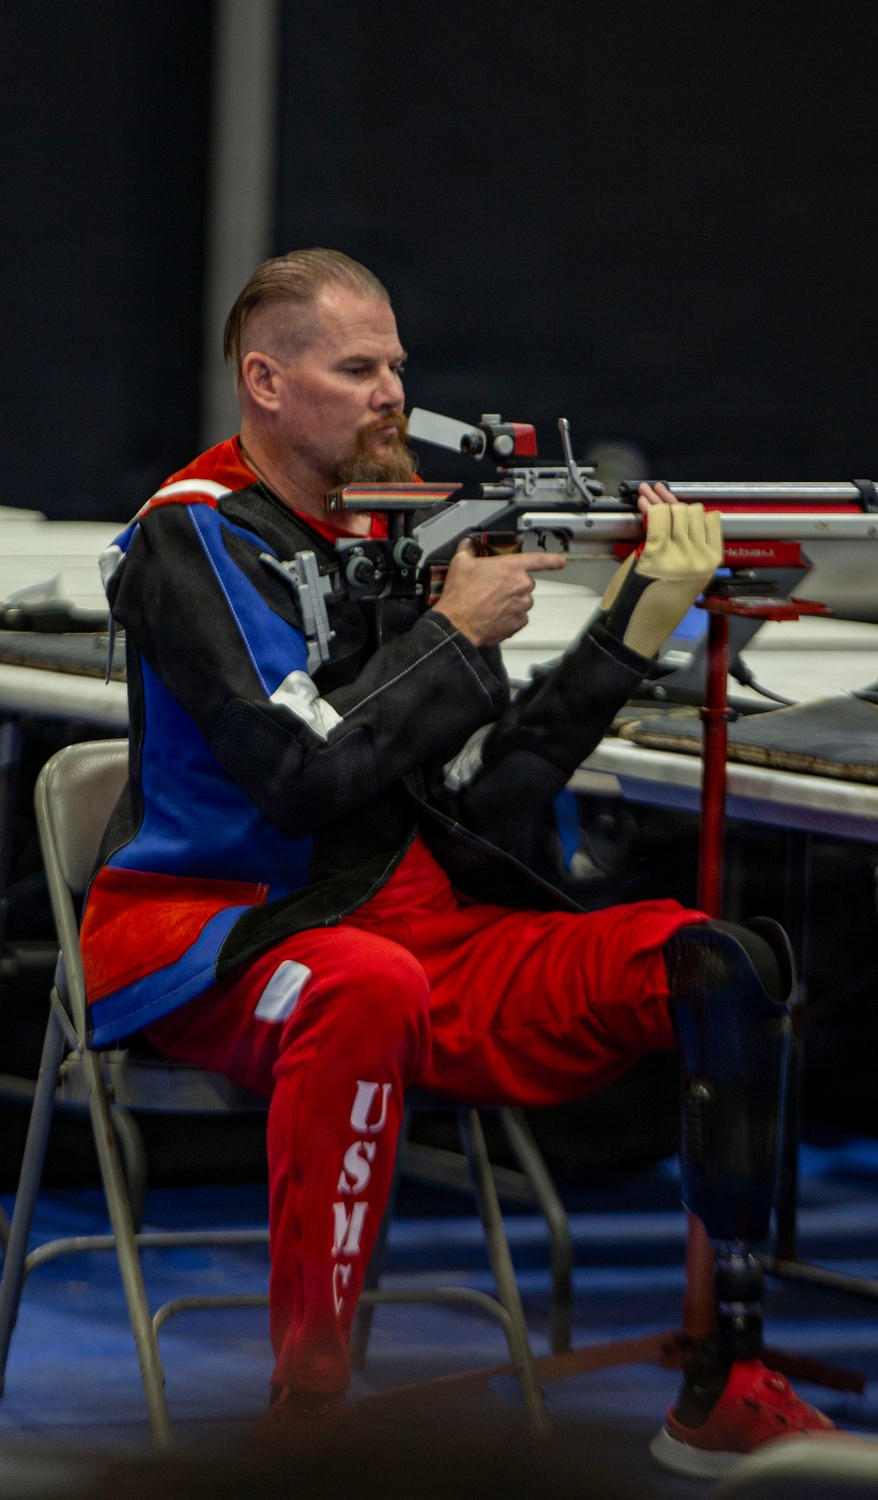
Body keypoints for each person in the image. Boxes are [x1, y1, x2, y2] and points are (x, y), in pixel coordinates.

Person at [80, 248, 833, 1476]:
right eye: (357, 368)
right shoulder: (193, 541)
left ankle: (726, 1368)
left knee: (716, 959)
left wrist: (637, 618)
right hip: (223, 935)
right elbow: (297, 775)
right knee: (363, 985)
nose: (392, 395)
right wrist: (447, 634)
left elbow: (488, 801)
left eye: (399, 367)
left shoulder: (398, 532)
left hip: (418, 921)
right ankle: (307, 1421)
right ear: (265, 382)